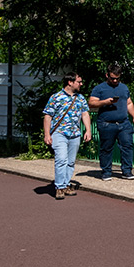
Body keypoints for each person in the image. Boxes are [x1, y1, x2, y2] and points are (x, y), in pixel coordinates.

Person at [43, 72, 92, 200]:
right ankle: (59, 187)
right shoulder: (56, 97)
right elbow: (48, 116)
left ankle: (65, 184)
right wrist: (47, 134)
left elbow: (85, 114)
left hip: (75, 134)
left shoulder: (80, 98)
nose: (81, 84)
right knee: (61, 159)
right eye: (79, 82)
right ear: (70, 82)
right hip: (60, 133)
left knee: (70, 162)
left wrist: (88, 130)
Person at [88, 64, 134, 180]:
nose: (115, 80)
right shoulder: (99, 88)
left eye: (117, 78)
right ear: (107, 75)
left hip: (124, 122)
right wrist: (105, 102)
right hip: (106, 123)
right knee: (106, 148)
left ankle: (127, 171)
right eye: (112, 78)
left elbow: (129, 103)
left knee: (127, 146)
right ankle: (106, 172)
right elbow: (91, 103)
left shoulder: (124, 88)